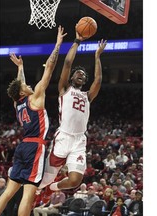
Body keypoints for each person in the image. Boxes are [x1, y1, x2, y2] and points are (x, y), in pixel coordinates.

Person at [0, 25, 67, 216]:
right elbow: (50, 68)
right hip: (34, 148)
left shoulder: (17, 104)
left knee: (8, 193)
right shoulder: (35, 97)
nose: (29, 85)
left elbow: (18, 87)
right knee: (28, 194)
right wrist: (58, 44)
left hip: (22, 147)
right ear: (23, 91)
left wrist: (20, 68)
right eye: (26, 85)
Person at [38, 24, 107, 194]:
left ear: (84, 81)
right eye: (78, 73)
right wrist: (77, 41)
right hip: (63, 137)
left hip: (79, 141)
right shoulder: (64, 89)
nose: (81, 74)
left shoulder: (87, 96)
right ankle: (39, 190)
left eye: (83, 75)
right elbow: (68, 63)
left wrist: (97, 56)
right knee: (44, 178)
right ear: (72, 78)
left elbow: (97, 80)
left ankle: (52, 188)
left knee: (75, 181)